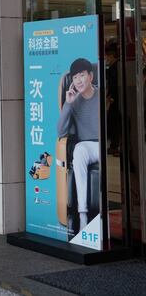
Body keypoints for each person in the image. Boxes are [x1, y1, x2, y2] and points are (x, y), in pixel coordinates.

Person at [57, 58, 100, 231]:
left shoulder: (101, 95)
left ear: (90, 76)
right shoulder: (73, 101)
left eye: (82, 75)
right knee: (79, 150)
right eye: (75, 77)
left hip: (104, 145)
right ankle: (82, 212)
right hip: (88, 147)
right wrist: (68, 104)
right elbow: (60, 132)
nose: (78, 80)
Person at [104, 43, 121, 157]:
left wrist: (111, 97)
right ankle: (114, 146)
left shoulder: (115, 68)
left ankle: (115, 146)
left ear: (112, 56)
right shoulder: (114, 67)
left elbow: (114, 84)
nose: (106, 59)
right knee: (113, 122)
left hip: (115, 100)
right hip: (114, 99)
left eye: (107, 57)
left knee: (114, 122)